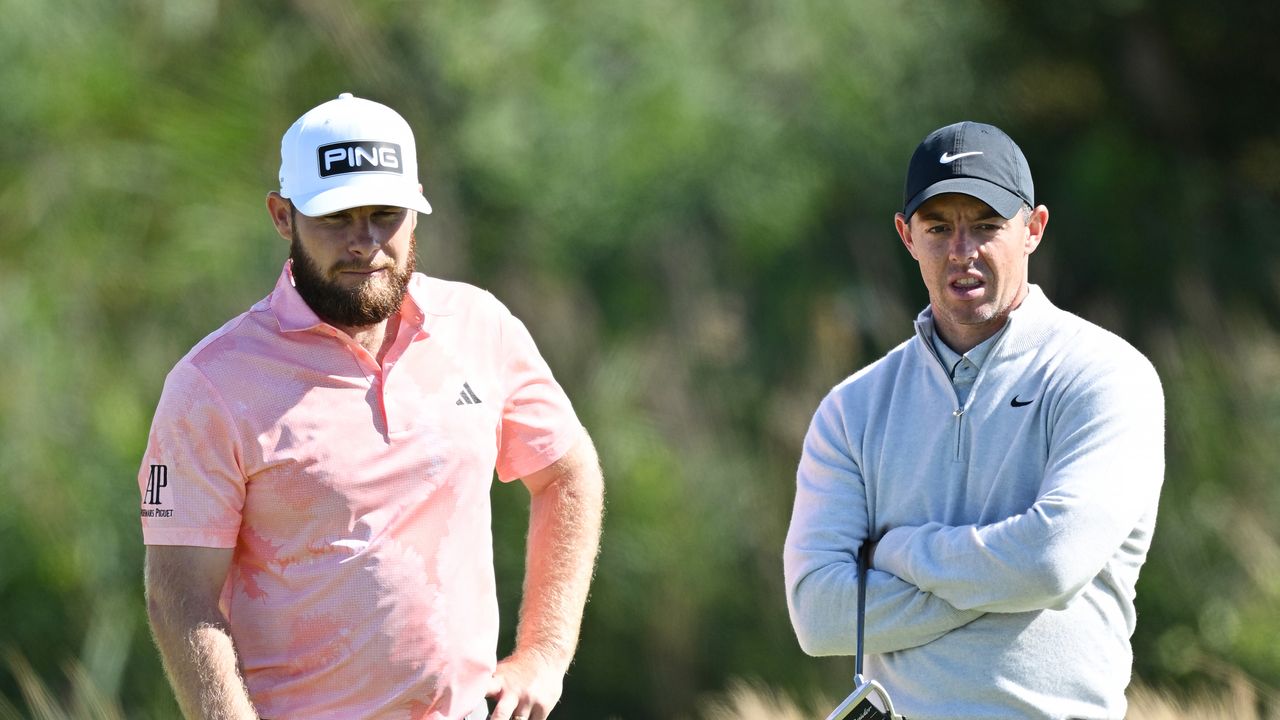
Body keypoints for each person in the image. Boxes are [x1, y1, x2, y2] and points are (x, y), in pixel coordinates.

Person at [137, 92, 604, 720]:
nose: (364, 243)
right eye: (335, 218)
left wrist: (543, 654)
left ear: (416, 213)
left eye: (386, 215)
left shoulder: (479, 327)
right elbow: (180, 594)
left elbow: (568, 474)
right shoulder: (212, 383)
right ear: (282, 216)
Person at [783, 121, 1165, 719]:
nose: (963, 251)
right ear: (906, 236)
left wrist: (902, 552)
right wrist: (1003, 580)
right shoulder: (851, 409)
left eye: (987, 225)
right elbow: (819, 614)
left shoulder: (1105, 376)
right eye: (939, 228)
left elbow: (1051, 561)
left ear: (1033, 228)